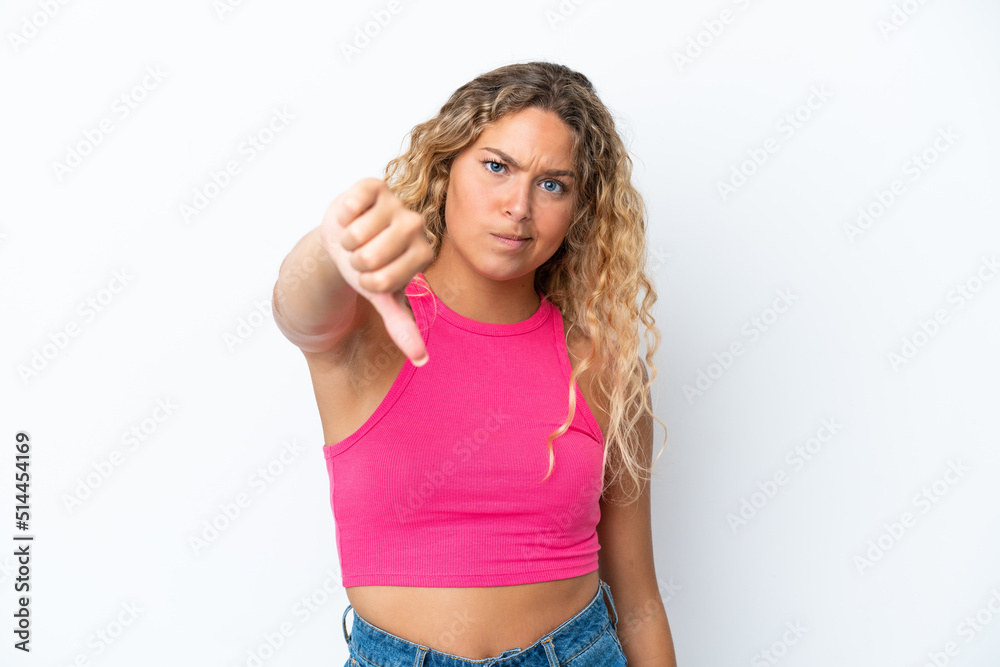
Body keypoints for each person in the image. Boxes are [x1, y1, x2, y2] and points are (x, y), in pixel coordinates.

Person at [271, 61, 677, 666]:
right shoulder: (373, 324)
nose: (518, 206)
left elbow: (638, 594)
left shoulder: (600, 366)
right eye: (497, 167)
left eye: (553, 184)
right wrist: (334, 246)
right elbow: (296, 310)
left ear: (578, 211)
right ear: (445, 171)